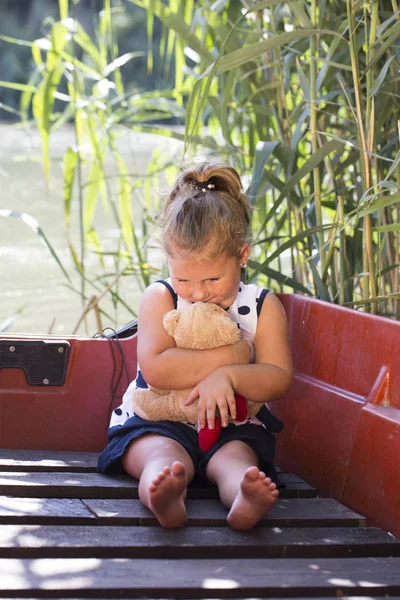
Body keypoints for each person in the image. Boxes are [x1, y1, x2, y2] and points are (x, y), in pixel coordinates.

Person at [98, 160, 293, 530]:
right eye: (184, 279)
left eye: (214, 278)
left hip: (233, 424)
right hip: (157, 420)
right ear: (169, 263)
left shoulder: (263, 305)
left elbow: (278, 377)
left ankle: (243, 496)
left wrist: (230, 378)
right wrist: (231, 355)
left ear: (243, 255)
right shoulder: (161, 298)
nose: (200, 293)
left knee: (236, 459)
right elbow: (156, 369)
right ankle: (164, 493)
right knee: (161, 455)